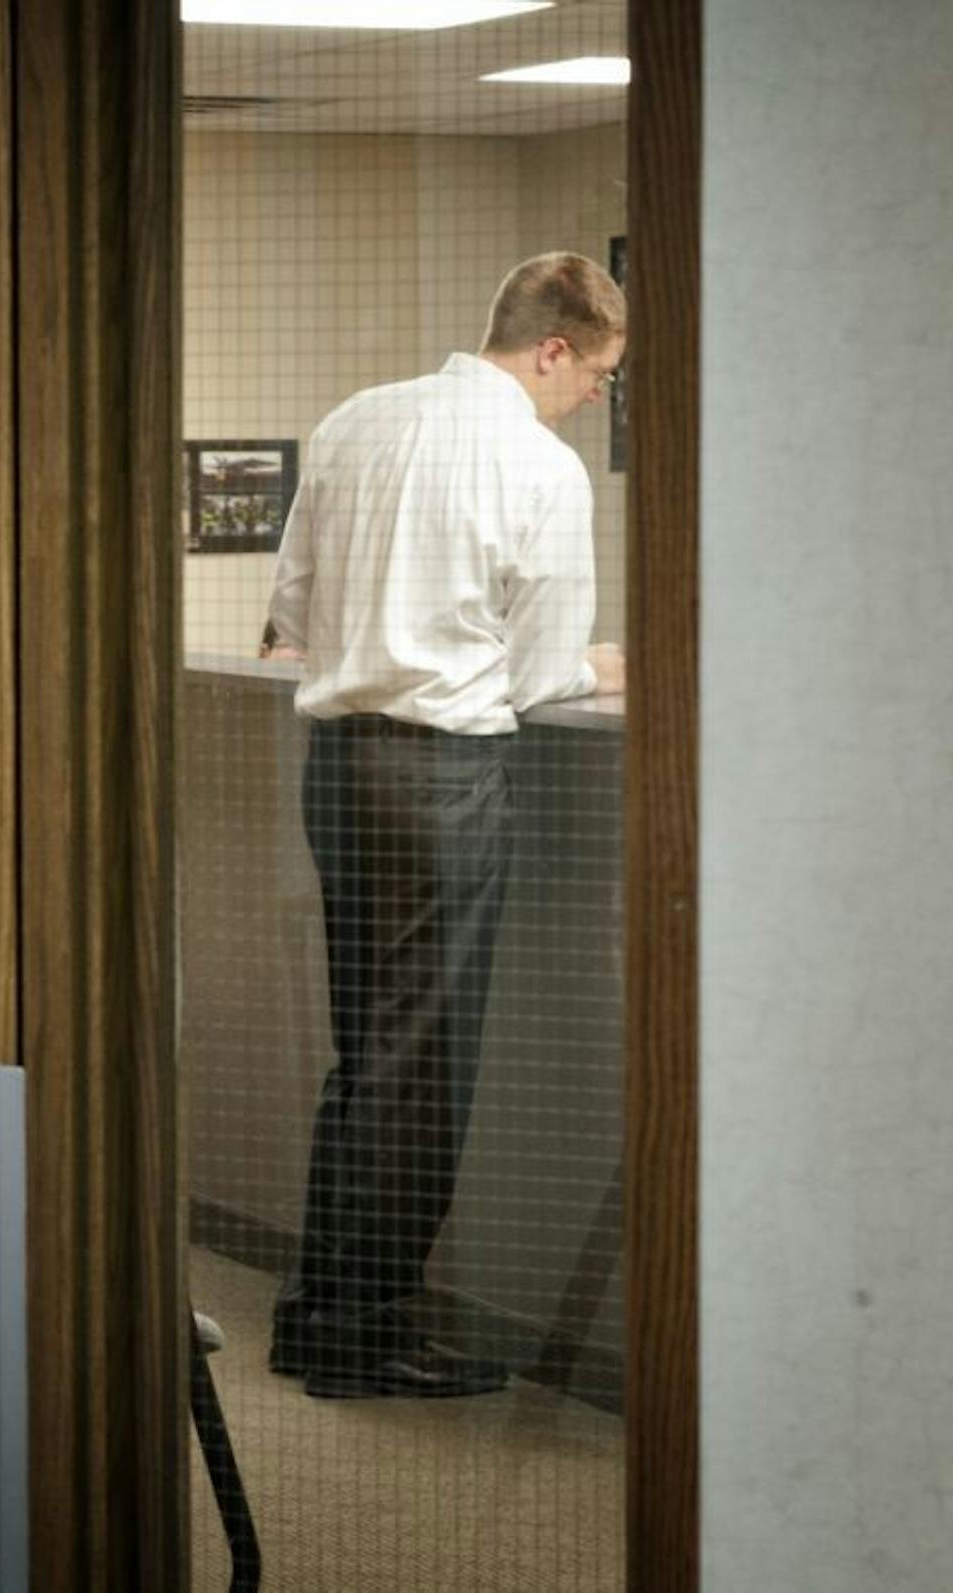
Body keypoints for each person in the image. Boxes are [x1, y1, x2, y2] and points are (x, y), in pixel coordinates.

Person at [263, 252, 628, 1400]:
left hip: (339, 770)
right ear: (555, 346)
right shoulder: (540, 464)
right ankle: (369, 1335)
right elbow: (536, 681)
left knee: (366, 1054)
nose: (598, 398)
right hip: (444, 781)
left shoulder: (355, 421)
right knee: (422, 1069)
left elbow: (290, 615)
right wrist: (602, 663)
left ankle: (319, 1315)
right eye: (602, 374)